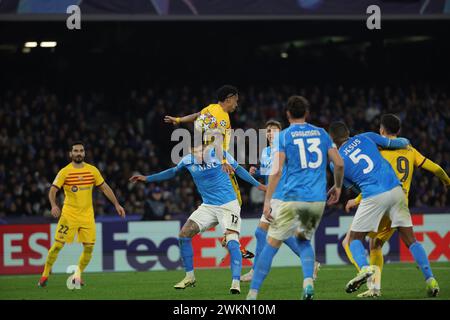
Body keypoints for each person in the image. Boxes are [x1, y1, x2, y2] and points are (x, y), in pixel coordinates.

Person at [130, 143, 266, 294]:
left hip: (228, 205)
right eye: (197, 152)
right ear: (192, 153)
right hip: (208, 206)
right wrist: (147, 178)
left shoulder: (220, 156)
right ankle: (189, 277)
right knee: (184, 234)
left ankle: (235, 283)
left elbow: (239, 169)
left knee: (232, 241)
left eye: (203, 150)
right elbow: (172, 172)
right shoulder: (188, 161)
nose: (201, 154)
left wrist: (258, 185)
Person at [246, 96, 345, 300]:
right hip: (317, 200)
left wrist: (267, 201)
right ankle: (308, 282)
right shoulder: (322, 133)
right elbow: (339, 163)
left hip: (292, 198)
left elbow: (277, 171)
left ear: (288, 114)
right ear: (306, 113)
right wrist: (338, 186)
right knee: (303, 241)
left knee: (271, 243)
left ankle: (253, 294)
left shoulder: (284, 136)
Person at [328, 121, 440, 297]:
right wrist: (406, 141)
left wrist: (342, 188)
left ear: (332, 139)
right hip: (397, 191)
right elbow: (398, 143)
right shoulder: (366, 137)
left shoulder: (335, 163)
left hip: (373, 195)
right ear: (348, 132)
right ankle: (430, 279)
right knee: (411, 240)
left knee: (353, 239)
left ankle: (365, 269)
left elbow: (355, 187)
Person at [240, 119, 320, 282]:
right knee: (282, 234)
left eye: (274, 130)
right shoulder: (266, 152)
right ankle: (312, 264)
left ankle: (255, 270)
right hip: (274, 196)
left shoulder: (287, 149)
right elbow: (269, 173)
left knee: (260, 232)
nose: (270, 133)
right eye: (268, 130)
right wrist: (256, 172)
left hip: (283, 196)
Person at [38, 141, 125, 288]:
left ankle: (77, 275)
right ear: (70, 154)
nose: (79, 153)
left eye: (81, 151)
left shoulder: (92, 170)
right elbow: (53, 190)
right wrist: (53, 205)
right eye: (76, 151)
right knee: (58, 246)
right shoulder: (64, 171)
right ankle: (45, 274)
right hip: (69, 215)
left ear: (84, 153)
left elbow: (104, 188)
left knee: (89, 247)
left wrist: (116, 204)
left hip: (87, 216)